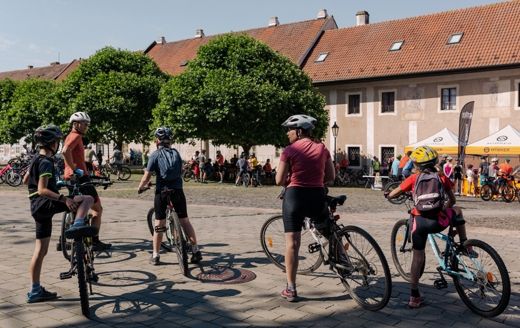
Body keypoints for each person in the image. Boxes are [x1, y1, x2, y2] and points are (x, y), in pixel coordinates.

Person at [385, 146, 470, 309]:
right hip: (439, 222)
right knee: (457, 211)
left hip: (421, 222)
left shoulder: (414, 178)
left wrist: (388, 195)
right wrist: (443, 207)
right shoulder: (441, 177)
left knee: (418, 256)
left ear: (417, 165)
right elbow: (452, 201)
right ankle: (464, 244)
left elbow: (395, 192)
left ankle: (414, 296)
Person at [24, 125, 94, 303]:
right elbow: (41, 189)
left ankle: (35, 290)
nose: (57, 144)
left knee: (41, 250)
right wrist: (64, 199)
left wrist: (57, 181)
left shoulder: (35, 159)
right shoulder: (47, 161)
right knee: (86, 199)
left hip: (36, 208)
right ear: (51, 143)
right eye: (57, 141)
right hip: (46, 202)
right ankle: (78, 224)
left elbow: (27, 180)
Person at [275, 114, 335, 302]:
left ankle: (291, 289)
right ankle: (342, 260)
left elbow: (278, 180)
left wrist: (290, 179)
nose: (287, 134)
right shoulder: (322, 148)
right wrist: (315, 179)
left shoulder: (289, 150)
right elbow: (331, 176)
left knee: (292, 244)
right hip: (317, 195)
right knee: (329, 232)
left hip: (295, 197)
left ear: (299, 131)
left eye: (290, 130)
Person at [137, 127, 202, 265]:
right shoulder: (176, 153)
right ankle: (196, 251)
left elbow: (146, 177)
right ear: (170, 141)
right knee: (185, 221)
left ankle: (155, 255)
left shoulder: (155, 155)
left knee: (159, 223)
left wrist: (141, 187)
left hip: (162, 192)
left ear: (157, 141)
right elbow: (180, 170)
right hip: (178, 190)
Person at [62, 112, 111, 252]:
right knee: (97, 209)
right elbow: (65, 152)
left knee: (77, 206)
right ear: (76, 123)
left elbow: (72, 155)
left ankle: (68, 239)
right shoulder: (76, 136)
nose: (86, 127)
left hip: (70, 177)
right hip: (79, 178)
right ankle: (94, 241)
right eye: (84, 123)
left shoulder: (70, 136)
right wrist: (75, 169)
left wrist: (84, 166)